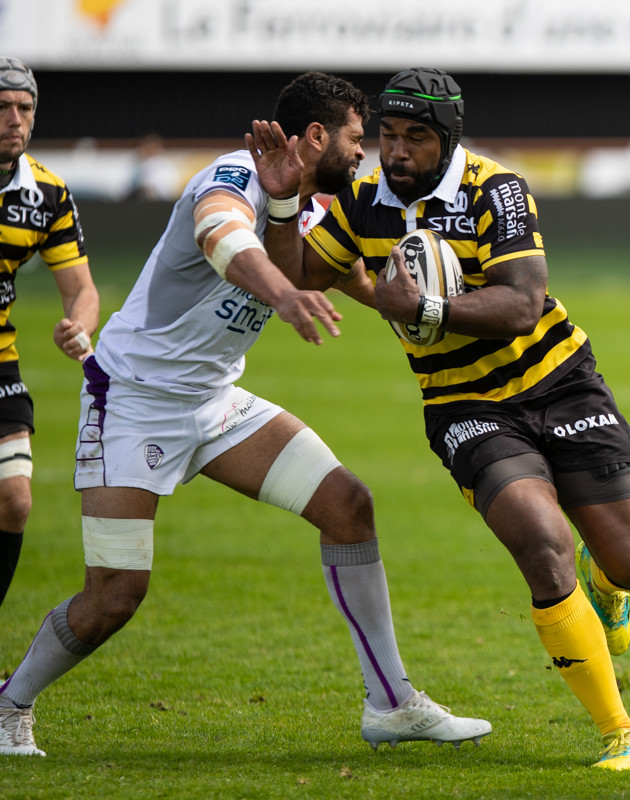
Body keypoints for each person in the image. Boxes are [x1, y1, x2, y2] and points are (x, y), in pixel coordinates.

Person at [0, 71, 490, 757]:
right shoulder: (231, 174)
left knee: (348, 505)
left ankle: (392, 703)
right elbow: (222, 237)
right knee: (114, 597)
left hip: (214, 403)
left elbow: (348, 280)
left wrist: (432, 312)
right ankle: (8, 704)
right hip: (133, 401)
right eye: (355, 138)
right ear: (316, 135)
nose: (364, 153)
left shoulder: (302, 202)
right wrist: (283, 297)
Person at [290, 67, 630, 771]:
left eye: (416, 139)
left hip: (560, 383)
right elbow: (305, 270)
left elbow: (523, 303)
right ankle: (619, 731)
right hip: (463, 404)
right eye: (388, 136)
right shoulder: (361, 199)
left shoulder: (496, 190)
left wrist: (421, 309)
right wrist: (284, 200)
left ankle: (609, 584)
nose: (396, 153)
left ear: (448, 139)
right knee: (541, 541)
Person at [0, 57, 99, 610]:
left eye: (25, 107)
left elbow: (82, 290)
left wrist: (79, 327)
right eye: (3, 107)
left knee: (14, 501)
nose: (15, 119)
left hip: (1, 360)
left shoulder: (47, 195)